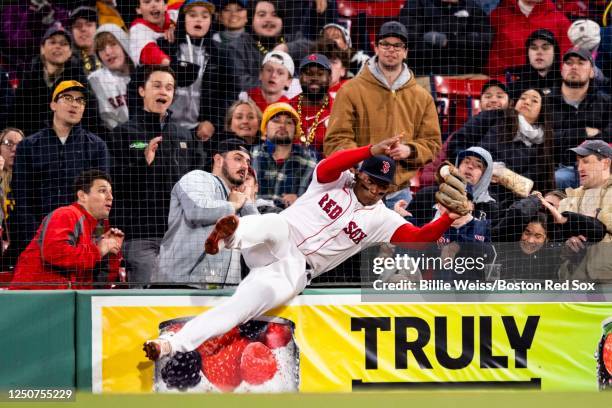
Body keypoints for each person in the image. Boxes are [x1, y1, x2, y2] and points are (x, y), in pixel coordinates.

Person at [143, 136, 467, 359]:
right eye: (370, 178)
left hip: (294, 270)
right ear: (359, 174)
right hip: (280, 235)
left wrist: (449, 218)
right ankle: (230, 236)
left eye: (382, 185)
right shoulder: (333, 180)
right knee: (273, 224)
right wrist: (370, 149)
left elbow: (417, 239)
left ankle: (169, 344)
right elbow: (331, 164)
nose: (375, 187)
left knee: (238, 309)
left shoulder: (382, 219)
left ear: (387, 189)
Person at [109, 65, 204, 287]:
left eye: (169, 88)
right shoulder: (123, 133)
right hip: (140, 235)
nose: (164, 92)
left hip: (179, 237)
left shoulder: (185, 136)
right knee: (146, 305)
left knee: (176, 306)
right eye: (157, 85)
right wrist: (143, 163)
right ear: (142, 90)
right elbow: (114, 184)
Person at [324, 21, 442, 190]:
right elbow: (335, 141)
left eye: (398, 45)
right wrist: (365, 161)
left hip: (399, 189)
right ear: (376, 48)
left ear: (405, 52)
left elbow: (433, 144)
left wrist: (410, 150)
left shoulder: (423, 98)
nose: (391, 50)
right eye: (385, 44)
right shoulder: (350, 90)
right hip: (356, 186)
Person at [12, 80, 110, 254]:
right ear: (53, 104)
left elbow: (100, 198)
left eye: (80, 100)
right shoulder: (28, 146)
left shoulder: (97, 146)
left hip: (82, 239)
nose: (74, 104)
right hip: (37, 238)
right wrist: (37, 237)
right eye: (67, 98)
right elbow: (22, 197)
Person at [155, 139, 258, 286]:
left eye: (247, 162)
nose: (244, 166)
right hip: (178, 285)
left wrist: (246, 201)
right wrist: (233, 205)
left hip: (221, 291)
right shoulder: (198, 177)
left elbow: (257, 232)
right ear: (218, 160)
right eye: (237, 158)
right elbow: (197, 210)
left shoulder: (238, 198)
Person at [10, 170, 123, 290]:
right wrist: (99, 250)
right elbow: (54, 254)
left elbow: (98, 285)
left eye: (111, 192)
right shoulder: (66, 214)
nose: (110, 197)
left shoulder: (99, 227)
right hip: (34, 298)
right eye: (102, 191)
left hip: (64, 299)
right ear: (82, 196)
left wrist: (111, 254)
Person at [156, 0, 239, 142]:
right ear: (183, 19)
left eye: (205, 16)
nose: (198, 19)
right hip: (163, 126)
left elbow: (230, 92)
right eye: (192, 15)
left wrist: (213, 122)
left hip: (200, 131)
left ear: (211, 21)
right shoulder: (165, 46)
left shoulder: (222, 53)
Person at [11, 25, 97, 136]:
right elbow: (16, 117)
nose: (58, 47)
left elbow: (91, 118)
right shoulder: (29, 77)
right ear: (42, 48)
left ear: (70, 52)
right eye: (52, 42)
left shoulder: (79, 79)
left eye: (63, 43)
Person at [549, 48, 612, 189]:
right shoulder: (546, 103)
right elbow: (546, 138)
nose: (574, 67)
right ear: (562, 70)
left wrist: (566, 135)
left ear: (592, 72)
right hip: (561, 168)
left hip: (600, 168)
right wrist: (585, 132)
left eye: (581, 63)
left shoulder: (606, 102)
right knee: (558, 179)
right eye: (569, 63)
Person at [480, 88, 555, 194]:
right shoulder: (500, 123)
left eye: (534, 100)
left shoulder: (544, 142)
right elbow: (482, 152)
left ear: (542, 110)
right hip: (484, 185)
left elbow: (532, 182)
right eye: (523, 98)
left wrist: (504, 174)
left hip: (514, 197)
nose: (527, 102)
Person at [556, 140, 612, 281]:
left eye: (586, 161)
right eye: (578, 162)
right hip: (574, 285)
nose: (579, 168)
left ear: (605, 163)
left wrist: (597, 216)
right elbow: (554, 244)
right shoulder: (568, 200)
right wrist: (567, 247)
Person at [228, 0, 310, 91]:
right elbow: (241, 82)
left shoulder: (293, 38)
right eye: (262, 15)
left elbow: (312, 47)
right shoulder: (237, 47)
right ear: (251, 19)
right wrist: (279, 85)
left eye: (275, 15)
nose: (269, 19)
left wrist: (286, 48)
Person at [408, 147, 499, 226]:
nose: (470, 166)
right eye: (466, 162)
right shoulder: (428, 194)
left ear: (485, 176)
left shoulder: (491, 209)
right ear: (457, 167)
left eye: (478, 165)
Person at [399, 0, 493, 75]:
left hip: (467, 74)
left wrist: (447, 42)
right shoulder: (417, 4)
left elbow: (484, 43)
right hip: (425, 74)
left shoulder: (472, 8)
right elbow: (409, 43)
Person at [251, 103, 316, 208]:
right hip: (252, 219)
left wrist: (300, 199)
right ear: (265, 129)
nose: (282, 125)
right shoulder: (250, 156)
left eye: (289, 122)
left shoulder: (310, 163)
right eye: (276, 121)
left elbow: (316, 199)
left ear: (295, 131)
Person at [486, 0, 572, 76]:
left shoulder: (560, 21)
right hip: (504, 83)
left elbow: (567, 60)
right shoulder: (497, 16)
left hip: (545, 84)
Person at [88, 24, 136, 132]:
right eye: (101, 49)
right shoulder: (95, 81)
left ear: (124, 44)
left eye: (113, 44)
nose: (108, 52)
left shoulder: (146, 74)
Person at [289, 53, 332, 157]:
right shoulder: (287, 108)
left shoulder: (339, 110)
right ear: (299, 78)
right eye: (308, 73)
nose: (314, 78)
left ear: (330, 78)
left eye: (320, 73)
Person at [506, 29, 561, 97]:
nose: (539, 52)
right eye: (534, 48)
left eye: (545, 47)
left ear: (555, 53)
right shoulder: (514, 79)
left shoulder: (564, 81)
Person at [0, 128, 24, 268]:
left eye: (20, 144)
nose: (14, 149)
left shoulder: (30, 179)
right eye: (8, 143)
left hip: (21, 246)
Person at [129, 0, 174, 65]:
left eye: (157, 0)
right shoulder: (137, 29)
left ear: (165, 5)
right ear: (138, 9)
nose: (153, 5)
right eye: (147, 2)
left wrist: (178, 30)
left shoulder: (175, 16)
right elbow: (149, 51)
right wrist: (167, 63)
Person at [70, 5, 102, 77]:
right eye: (77, 26)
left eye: (89, 24)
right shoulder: (68, 63)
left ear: (97, 28)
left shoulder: (109, 55)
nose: (83, 29)